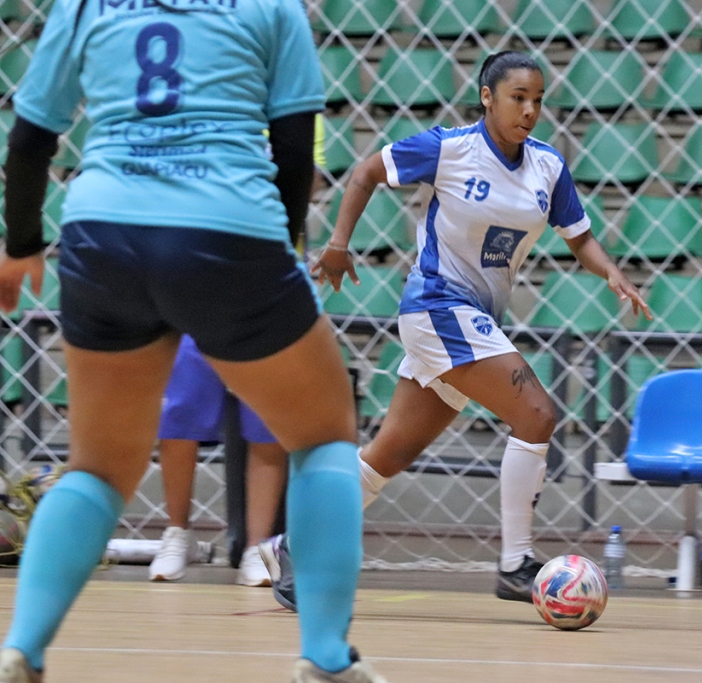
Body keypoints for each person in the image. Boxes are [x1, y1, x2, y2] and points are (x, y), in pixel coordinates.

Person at [0, 0, 386, 680]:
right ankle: (325, 657)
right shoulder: (272, 7)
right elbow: (294, 143)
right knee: (323, 434)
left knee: (96, 467)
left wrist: (21, 244)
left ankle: (21, 649)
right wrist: (285, 250)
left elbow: (31, 137)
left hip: (103, 233)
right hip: (225, 227)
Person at [261, 50, 651, 610]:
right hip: (437, 306)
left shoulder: (547, 167)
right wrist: (340, 243)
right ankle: (516, 565)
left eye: (538, 100)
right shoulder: (448, 148)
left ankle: (291, 544)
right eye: (518, 98)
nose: (530, 110)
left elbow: (578, 236)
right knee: (538, 413)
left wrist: (610, 270)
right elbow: (368, 170)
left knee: (386, 456)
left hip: (474, 319)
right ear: (488, 97)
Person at [149, 334, 286, 587]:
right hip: (194, 313)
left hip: (264, 314)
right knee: (180, 413)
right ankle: (178, 533)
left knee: (266, 424)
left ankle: (259, 548)